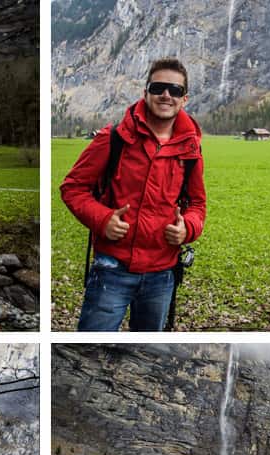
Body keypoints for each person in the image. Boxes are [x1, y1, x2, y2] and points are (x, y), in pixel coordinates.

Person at [61, 57, 207, 331]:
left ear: (184, 99)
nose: (166, 95)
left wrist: (187, 228)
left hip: (162, 273)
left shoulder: (191, 149)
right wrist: (103, 219)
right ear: (145, 92)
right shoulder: (113, 138)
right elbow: (72, 188)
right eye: (158, 88)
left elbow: (198, 204)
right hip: (112, 268)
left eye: (174, 90)